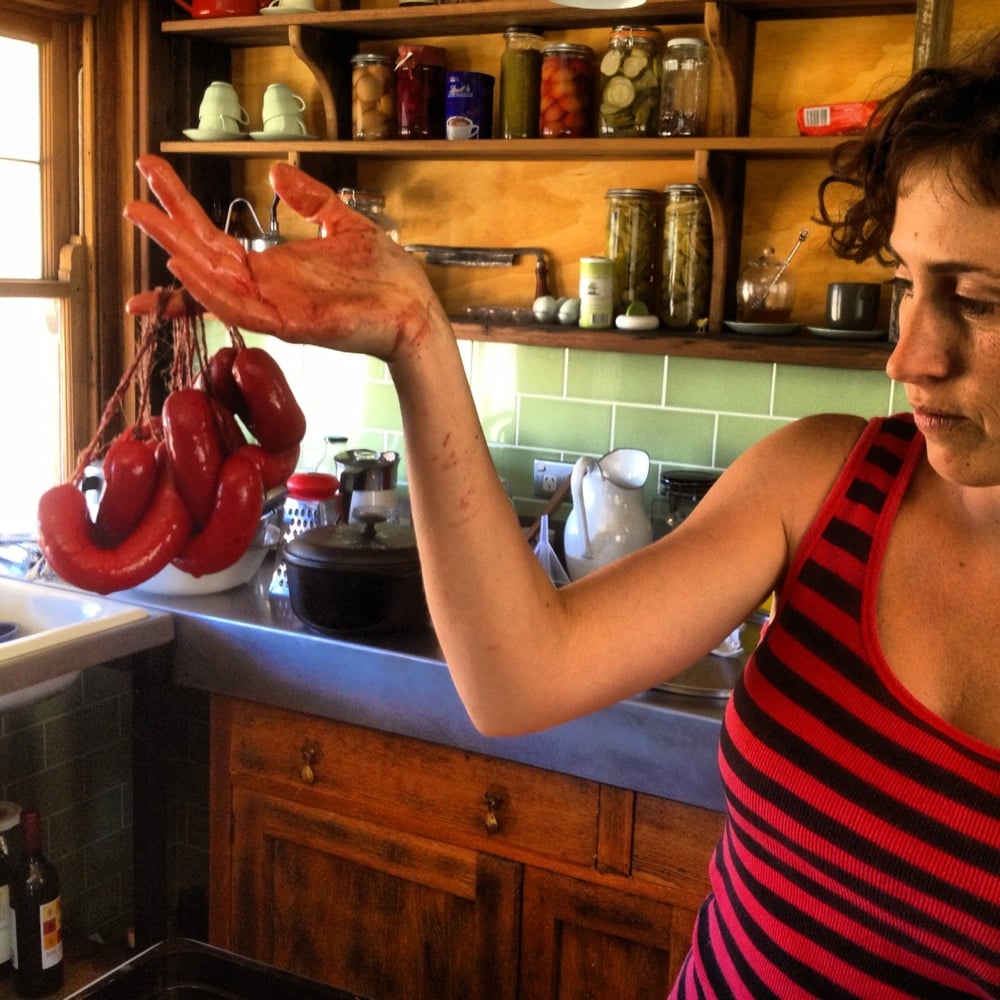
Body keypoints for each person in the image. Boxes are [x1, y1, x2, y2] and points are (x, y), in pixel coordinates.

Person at [124, 38, 999, 1000]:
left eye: (980, 300)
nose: (908, 357)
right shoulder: (830, 480)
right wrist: (418, 335)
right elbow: (517, 677)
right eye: (910, 285)